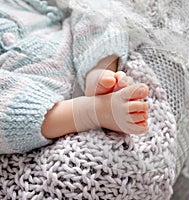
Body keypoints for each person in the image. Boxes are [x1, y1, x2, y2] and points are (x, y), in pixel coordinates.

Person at [0, 0, 149, 154]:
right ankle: (90, 112)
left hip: (72, 46)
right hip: (28, 92)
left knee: (97, 7)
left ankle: (100, 74)